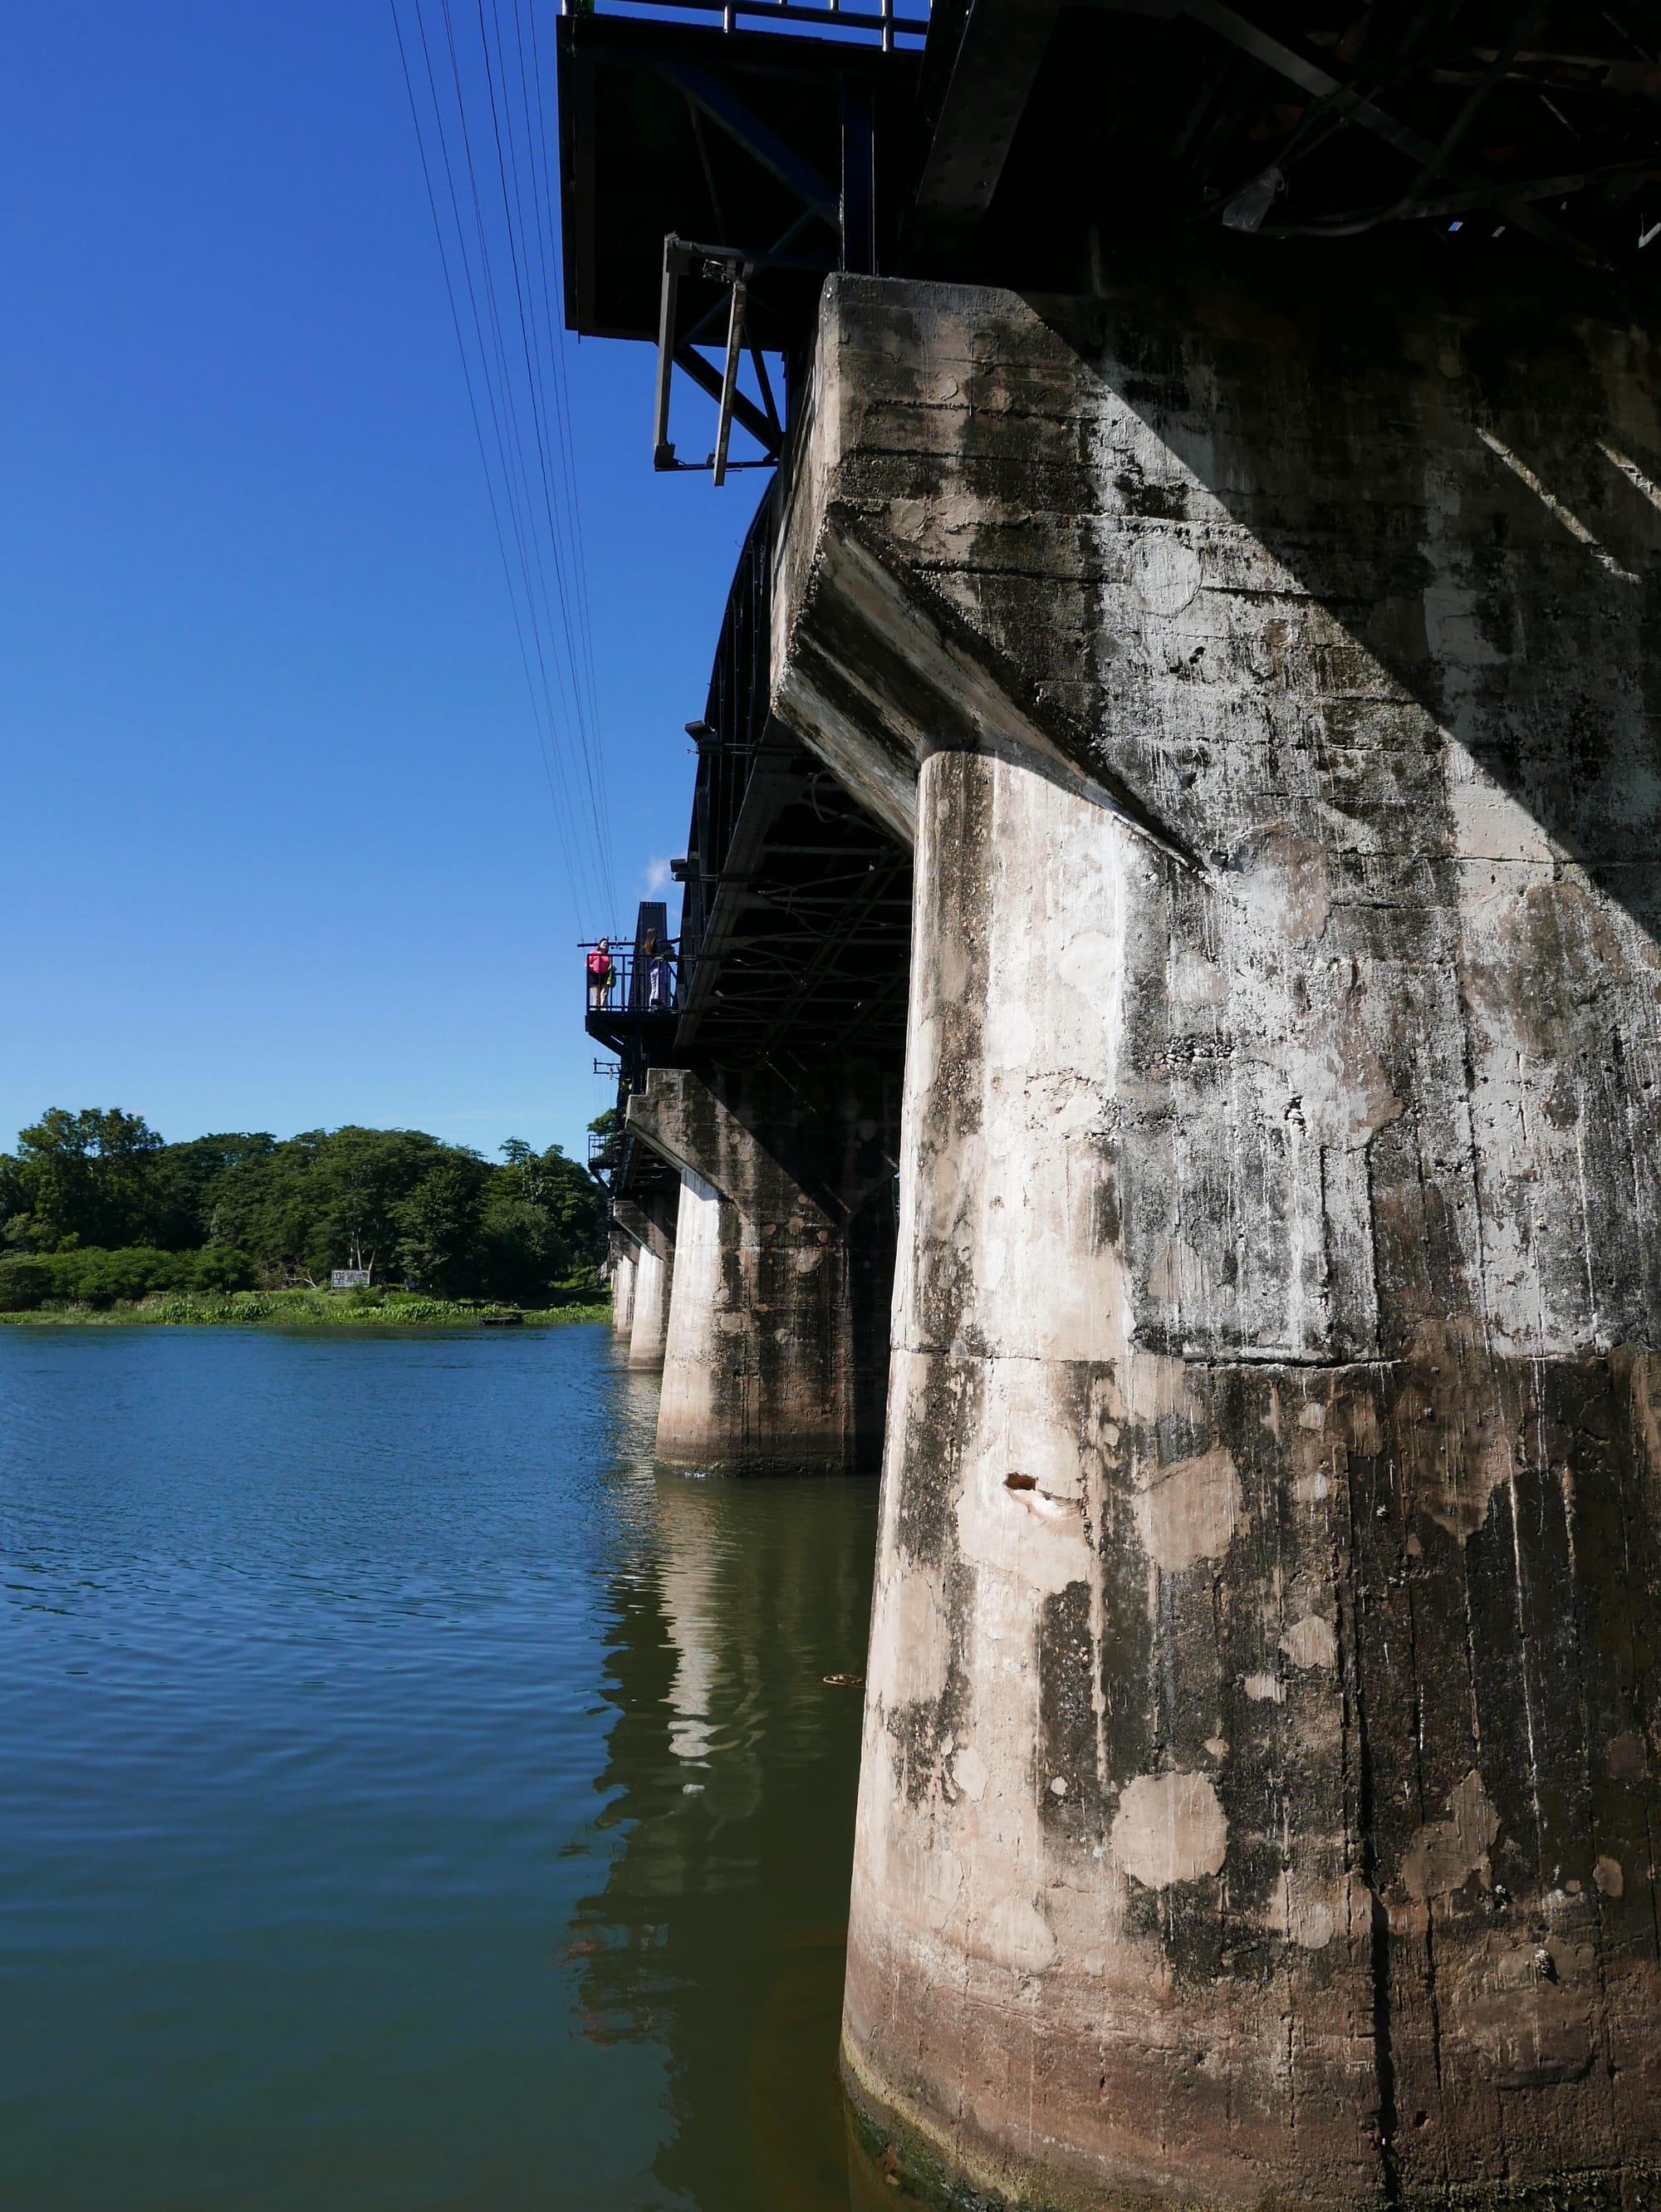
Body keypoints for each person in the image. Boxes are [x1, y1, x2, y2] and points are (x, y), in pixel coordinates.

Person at [646, 930, 673, 1012]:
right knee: (659, 986)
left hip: (652, 968)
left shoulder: (649, 944)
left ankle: (651, 1006)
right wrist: (679, 938)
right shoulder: (659, 942)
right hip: (660, 965)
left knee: (653, 988)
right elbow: (670, 942)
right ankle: (657, 1005)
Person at [586, 938, 614, 1009]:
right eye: (604, 943)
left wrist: (612, 968)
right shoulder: (593, 953)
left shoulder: (608, 957)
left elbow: (609, 967)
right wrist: (592, 966)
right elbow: (587, 964)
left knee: (604, 995)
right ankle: (595, 1013)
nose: (605, 945)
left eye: (607, 944)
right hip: (594, 975)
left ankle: (605, 1012)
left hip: (604, 976)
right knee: (597, 997)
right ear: (600, 944)